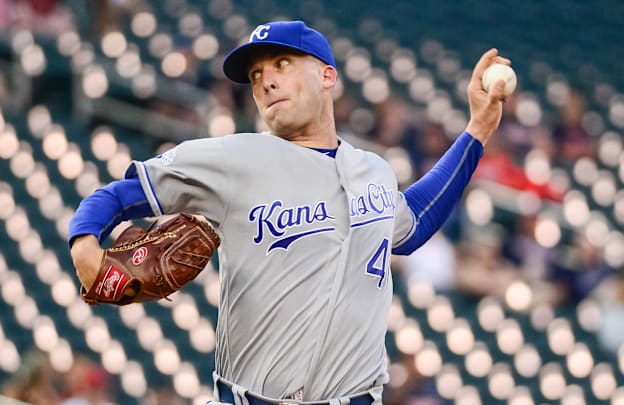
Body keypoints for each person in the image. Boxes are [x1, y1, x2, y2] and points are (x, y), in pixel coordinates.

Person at [68, 20, 511, 405]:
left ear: (326, 75)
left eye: (282, 64)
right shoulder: (234, 157)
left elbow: (413, 224)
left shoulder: (373, 169)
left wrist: (477, 131)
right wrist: (85, 242)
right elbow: (118, 195)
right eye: (257, 74)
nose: (265, 82)